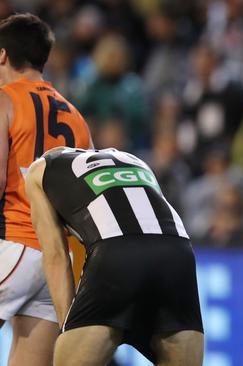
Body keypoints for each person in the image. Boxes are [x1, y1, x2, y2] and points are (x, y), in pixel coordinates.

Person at [24, 147, 204, 366]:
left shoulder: (39, 170)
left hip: (115, 250)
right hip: (178, 252)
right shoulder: (134, 159)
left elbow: (56, 256)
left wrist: (67, 326)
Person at [0, 13, 92, 366]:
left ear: (3, 55)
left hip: (14, 241)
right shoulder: (76, 115)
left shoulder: (5, 99)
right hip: (59, 262)